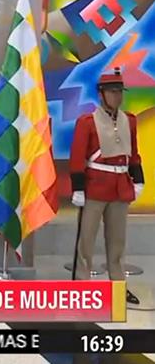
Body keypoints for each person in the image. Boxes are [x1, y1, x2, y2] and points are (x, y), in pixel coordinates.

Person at [69, 68, 144, 305]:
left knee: (118, 243)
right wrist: (78, 188)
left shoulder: (129, 120)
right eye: (112, 92)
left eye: (119, 91)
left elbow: (133, 154)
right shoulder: (87, 122)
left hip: (120, 187)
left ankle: (118, 287)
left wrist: (138, 179)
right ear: (101, 94)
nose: (117, 96)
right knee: (86, 242)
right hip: (94, 188)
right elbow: (77, 156)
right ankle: (81, 286)